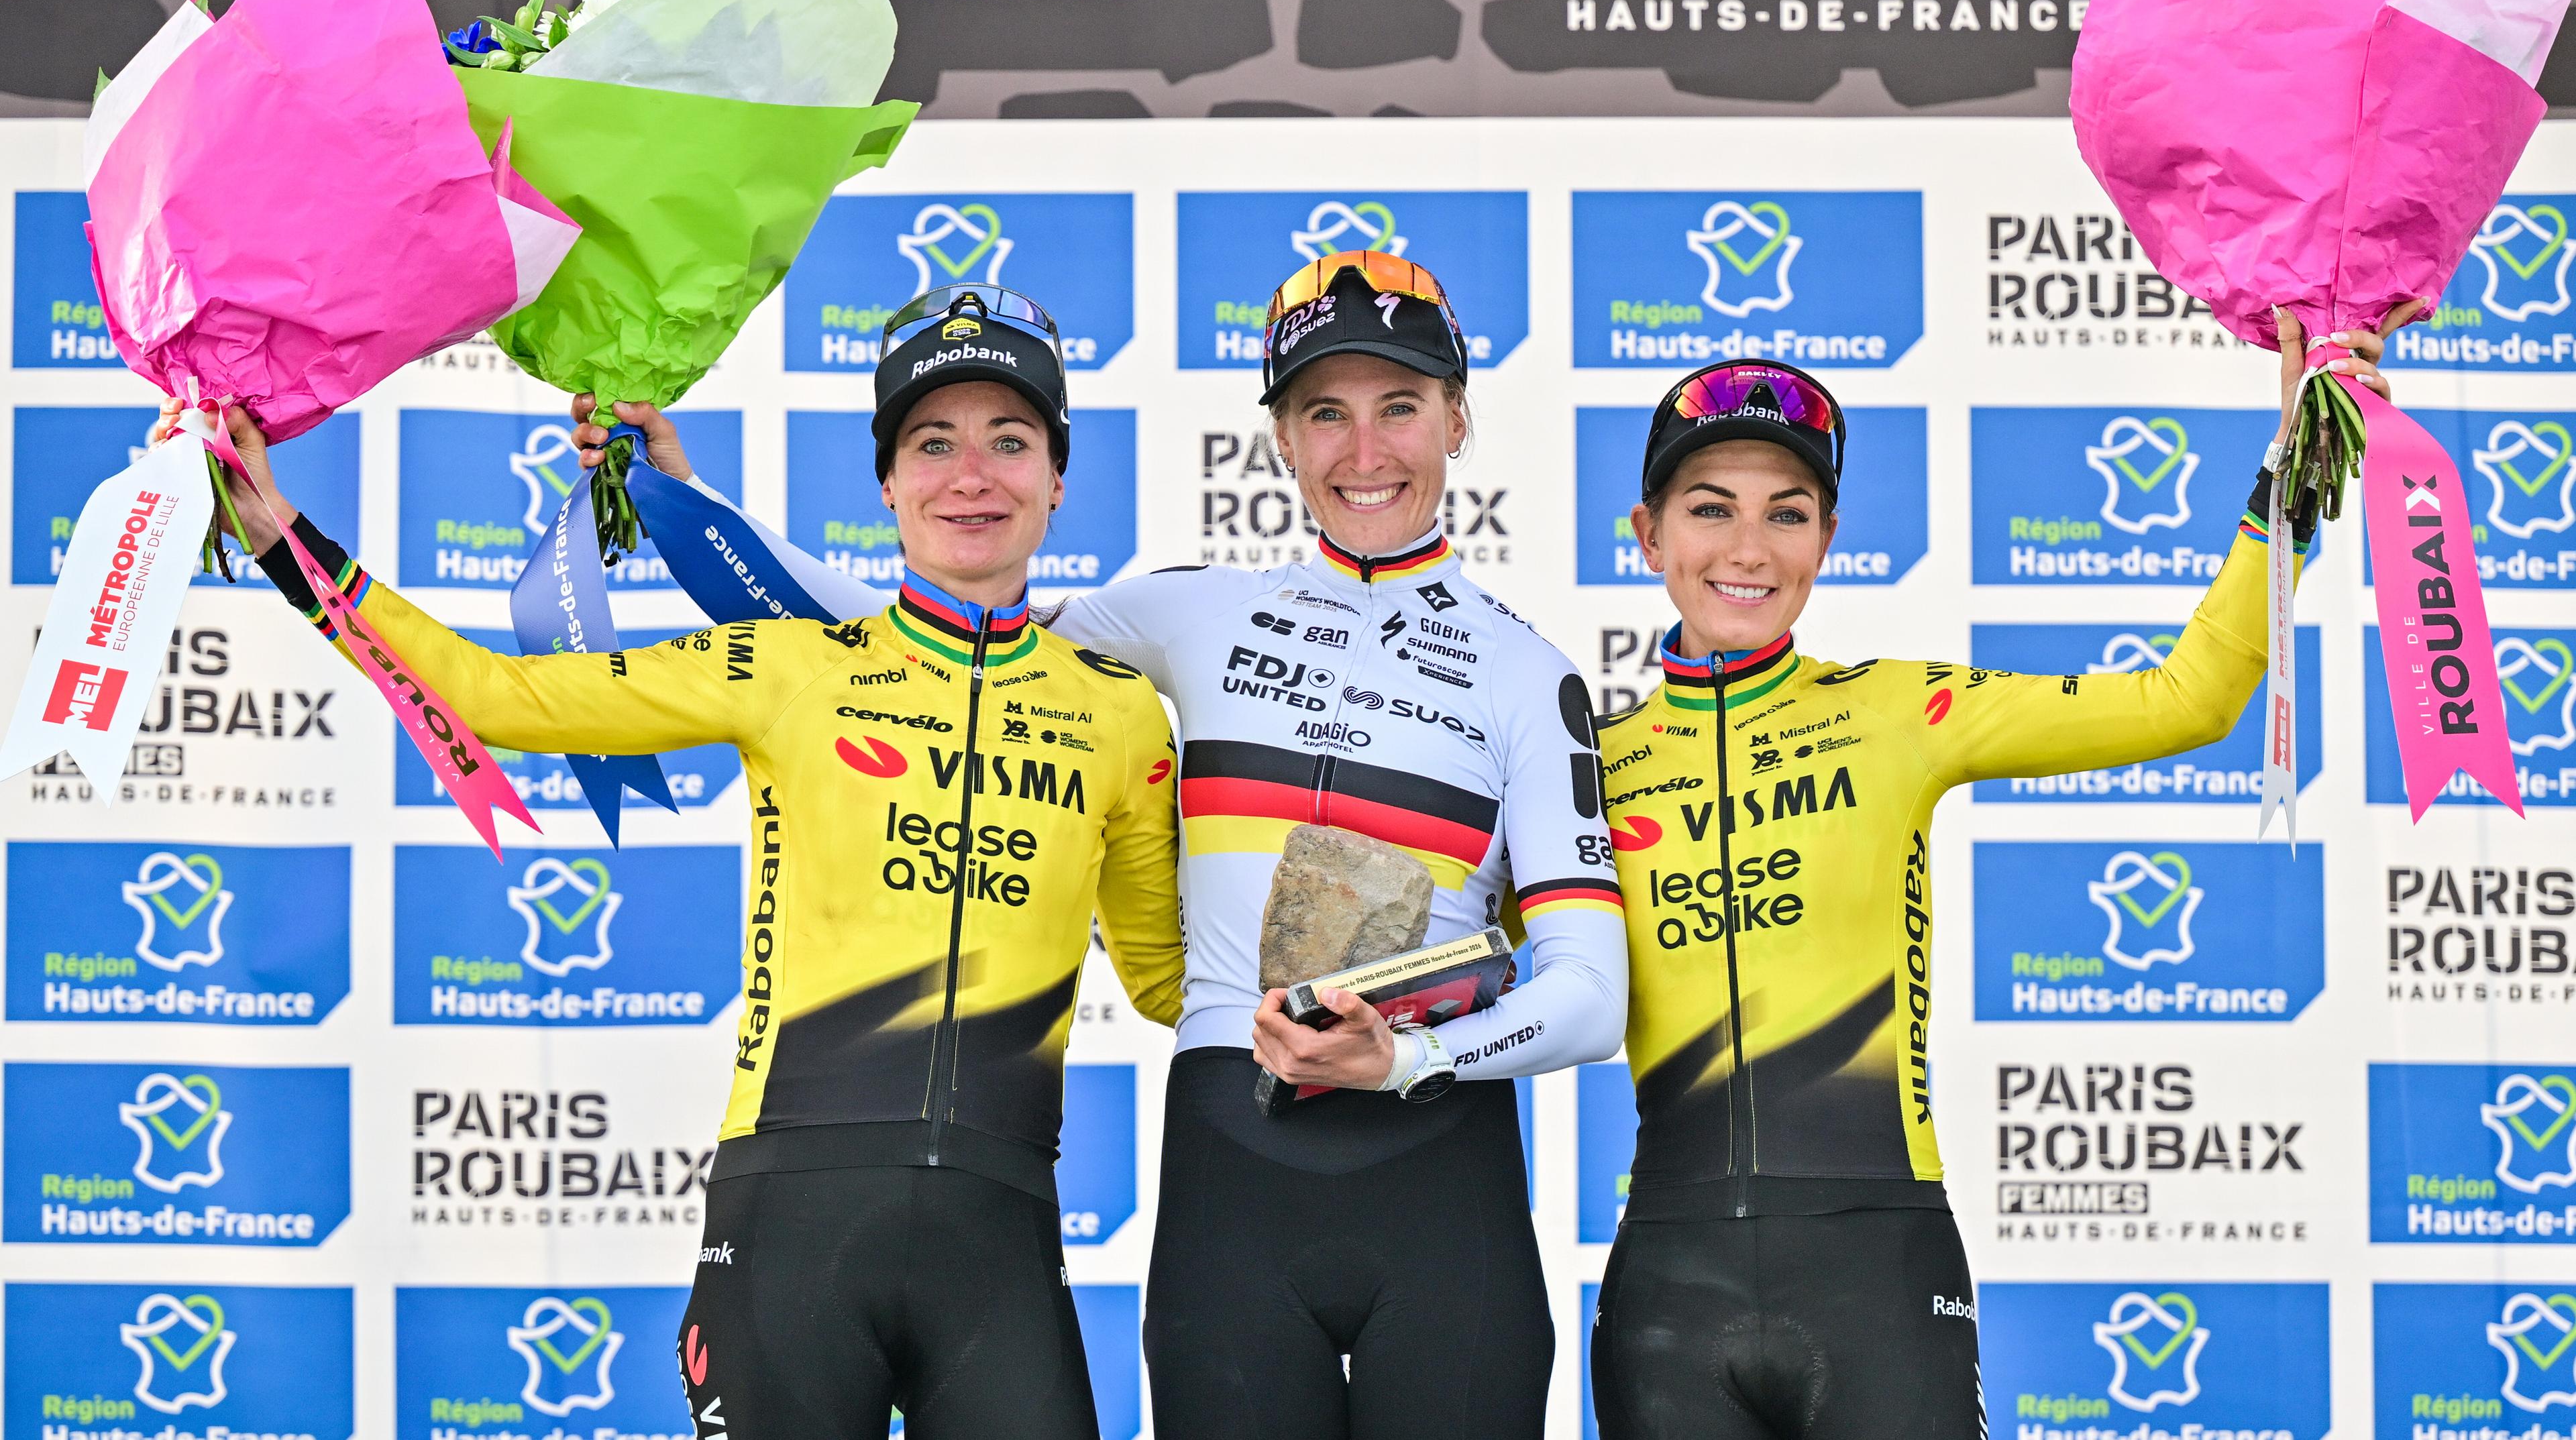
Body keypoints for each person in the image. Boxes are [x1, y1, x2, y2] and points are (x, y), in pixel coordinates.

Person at [577, 252, 1629, 1439]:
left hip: (1447, 1190)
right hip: (1238, 1180)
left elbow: (1590, 996)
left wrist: (1405, 1063)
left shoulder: (1531, 677)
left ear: (1458, 421)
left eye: (1401, 407)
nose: (1365, 450)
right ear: (1280, 438)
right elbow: (927, 641)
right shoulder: (1189, 613)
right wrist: (684, 508)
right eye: (1325, 413)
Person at [174, 286, 1185, 1440]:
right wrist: (280, 540)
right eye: (932, 442)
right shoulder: (789, 663)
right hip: (791, 1218)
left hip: (1003, 1229)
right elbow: (499, 696)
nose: (973, 475)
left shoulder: (1119, 715)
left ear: (1057, 480)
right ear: (888, 483)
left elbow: (1167, 982)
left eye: (1011, 442)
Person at [1588, 309, 2409, 1440]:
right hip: (1668, 1286)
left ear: (1828, 537)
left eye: (1788, 513)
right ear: (1646, 533)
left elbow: (2190, 698)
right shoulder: (1595, 765)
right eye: (1709, 509)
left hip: (1879, 1264)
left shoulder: (1896, 710)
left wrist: (2293, 460)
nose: (1748, 548)